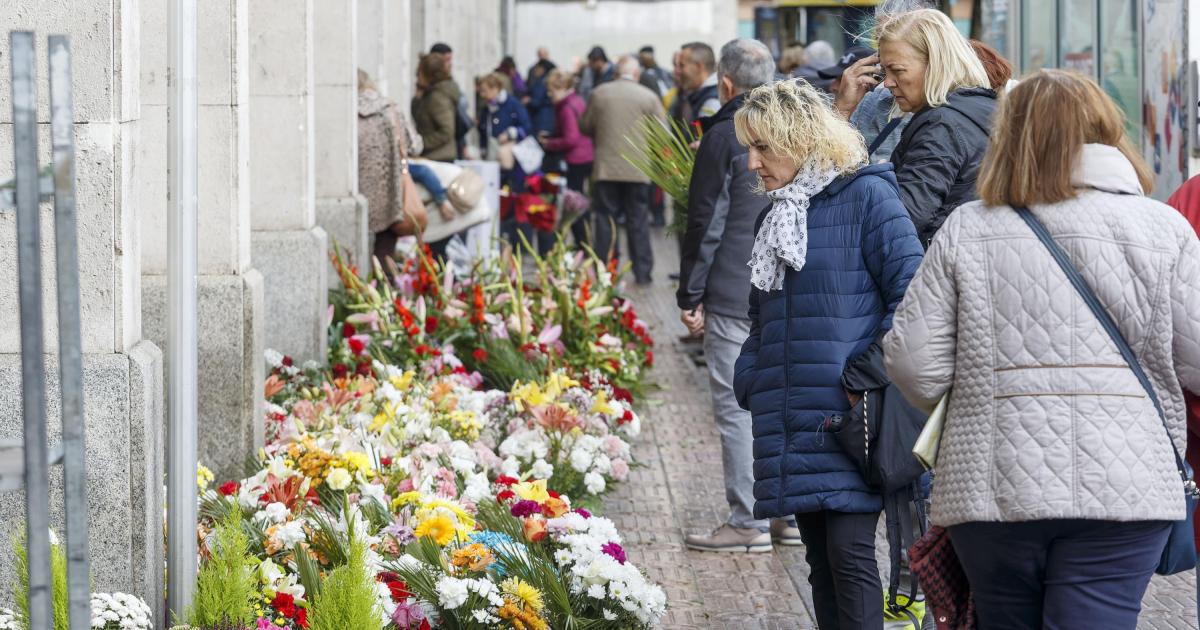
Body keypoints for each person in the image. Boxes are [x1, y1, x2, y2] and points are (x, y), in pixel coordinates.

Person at [883, 69, 1200, 630]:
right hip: (1126, 484)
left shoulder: (967, 228)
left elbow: (912, 364)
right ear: (1104, 130)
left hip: (992, 483)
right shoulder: (1164, 228)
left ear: (1010, 136)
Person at [732, 79, 924, 629]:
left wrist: (861, 377)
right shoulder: (777, 215)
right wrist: (753, 374)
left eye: (763, 147)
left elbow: (914, 297)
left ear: (799, 139)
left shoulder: (867, 196)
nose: (753, 163)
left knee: (850, 557)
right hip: (791, 416)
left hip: (846, 418)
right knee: (819, 563)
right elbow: (761, 314)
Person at [675, 39, 800, 553]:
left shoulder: (726, 134)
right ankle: (787, 517)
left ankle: (747, 521)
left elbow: (708, 220)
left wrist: (690, 292)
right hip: (787, 284)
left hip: (733, 286)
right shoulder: (797, 130)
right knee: (783, 400)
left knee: (735, 405)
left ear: (725, 84)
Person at [878, 8, 996, 246]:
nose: (887, 82)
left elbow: (903, 221)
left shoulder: (941, 125)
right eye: (884, 71)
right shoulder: (984, 107)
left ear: (937, 64)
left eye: (898, 70)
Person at [579, 55, 665, 284]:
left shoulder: (600, 93)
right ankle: (643, 272)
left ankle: (606, 269)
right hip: (638, 170)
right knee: (638, 221)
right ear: (636, 75)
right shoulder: (649, 97)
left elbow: (585, 126)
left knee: (606, 221)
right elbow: (663, 132)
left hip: (606, 169)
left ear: (617, 72)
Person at [358, 70, 428, 265]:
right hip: (389, 186)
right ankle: (382, 285)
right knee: (385, 241)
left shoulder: (348, 112)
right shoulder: (390, 109)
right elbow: (414, 145)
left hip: (357, 186)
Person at [477, 72, 536, 251]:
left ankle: (520, 245)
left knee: (516, 202)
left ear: (496, 89)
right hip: (494, 163)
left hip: (514, 164)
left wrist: (511, 133)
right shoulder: (487, 108)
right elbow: (483, 132)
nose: (482, 95)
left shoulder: (512, 105)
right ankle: (500, 240)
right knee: (499, 202)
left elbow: (527, 127)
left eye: (485, 91)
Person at [539, 69, 595, 245]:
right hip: (585, 155)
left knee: (574, 203)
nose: (549, 95)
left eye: (552, 90)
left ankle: (581, 242)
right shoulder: (576, 101)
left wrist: (549, 144)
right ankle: (583, 240)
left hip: (575, 159)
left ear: (563, 88)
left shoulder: (566, 108)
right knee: (579, 201)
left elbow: (571, 138)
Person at [411, 53, 461, 162]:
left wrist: (422, 143)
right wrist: (417, 99)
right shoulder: (429, 94)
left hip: (439, 157)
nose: (416, 76)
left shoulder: (437, 98)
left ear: (429, 74)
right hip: (434, 156)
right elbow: (418, 118)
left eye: (419, 73)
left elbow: (447, 131)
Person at [677, 42, 721, 124]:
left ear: (699, 66)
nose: (677, 71)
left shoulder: (712, 102)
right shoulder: (705, 95)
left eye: (682, 65)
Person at [524, 58, 558, 136]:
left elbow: (536, 101)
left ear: (542, 69)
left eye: (536, 68)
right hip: (549, 117)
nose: (534, 70)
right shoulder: (548, 81)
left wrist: (528, 100)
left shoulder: (541, 83)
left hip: (541, 118)